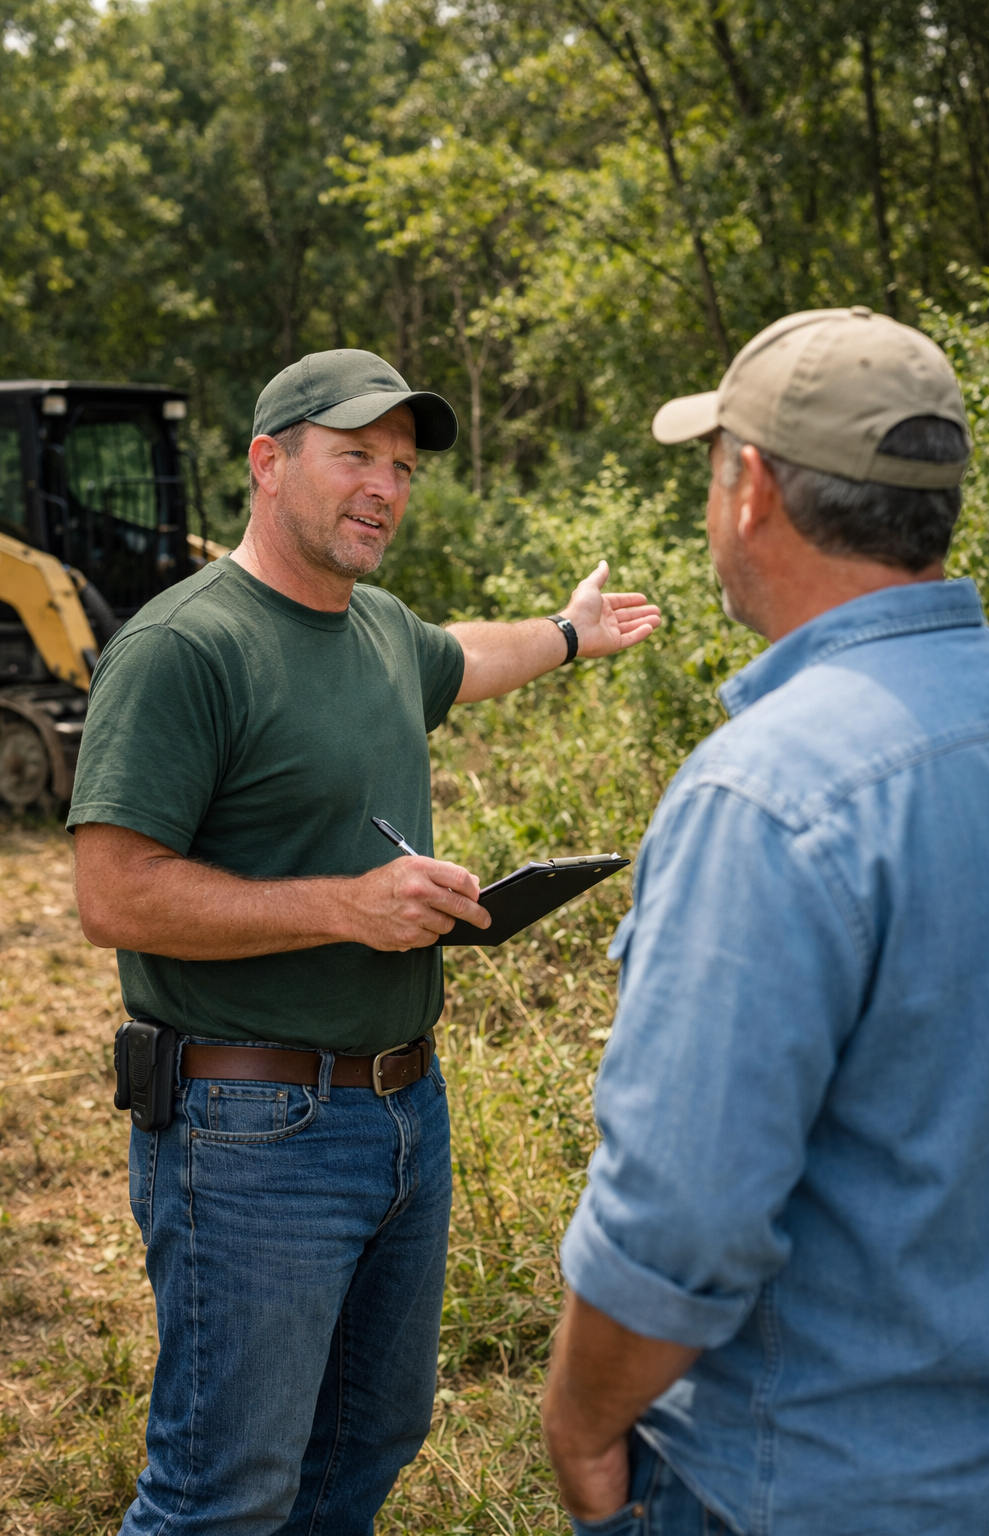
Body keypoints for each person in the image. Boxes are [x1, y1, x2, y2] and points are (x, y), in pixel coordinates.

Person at [68, 347, 661, 1536]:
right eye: (354, 456)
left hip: (401, 1111)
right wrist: (344, 905)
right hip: (249, 1132)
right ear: (268, 462)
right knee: (220, 1492)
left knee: (366, 1443)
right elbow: (113, 896)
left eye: (400, 465)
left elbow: (463, 654)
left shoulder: (379, 629)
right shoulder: (187, 647)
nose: (384, 487)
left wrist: (565, 630)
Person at [542, 307, 989, 1535]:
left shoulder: (767, 794)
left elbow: (682, 1223)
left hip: (811, 1483)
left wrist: (581, 1426)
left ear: (748, 487)